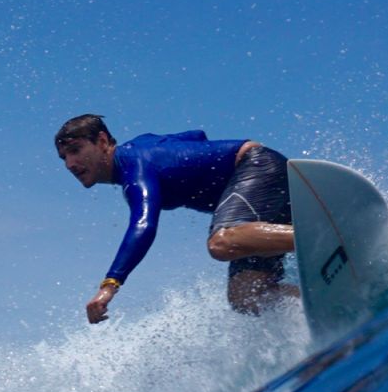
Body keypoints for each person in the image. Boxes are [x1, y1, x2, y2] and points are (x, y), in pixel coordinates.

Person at [54, 114, 297, 322]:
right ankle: (314, 293)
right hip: (259, 194)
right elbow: (196, 136)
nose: (70, 164)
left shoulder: (132, 166)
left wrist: (110, 286)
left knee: (222, 242)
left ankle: (326, 235)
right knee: (246, 298)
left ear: (103, 141)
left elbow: (144, 225)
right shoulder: (141, 149)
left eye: (76, 151)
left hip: (256, 166)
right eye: (64, 157)